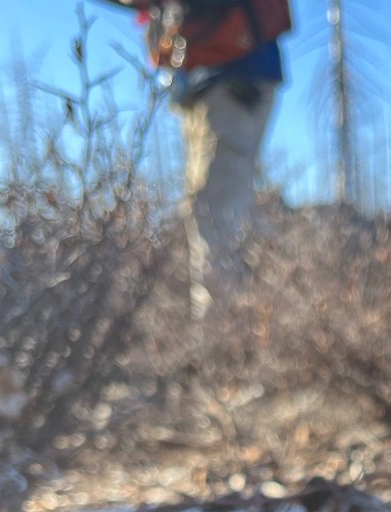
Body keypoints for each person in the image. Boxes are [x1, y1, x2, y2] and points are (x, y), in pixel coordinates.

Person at [114, 1, 290, 314]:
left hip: (231, 77)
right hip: (205, 82)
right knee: (214, 204)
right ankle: (245, 315)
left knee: (214, 207)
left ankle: (221, 337)